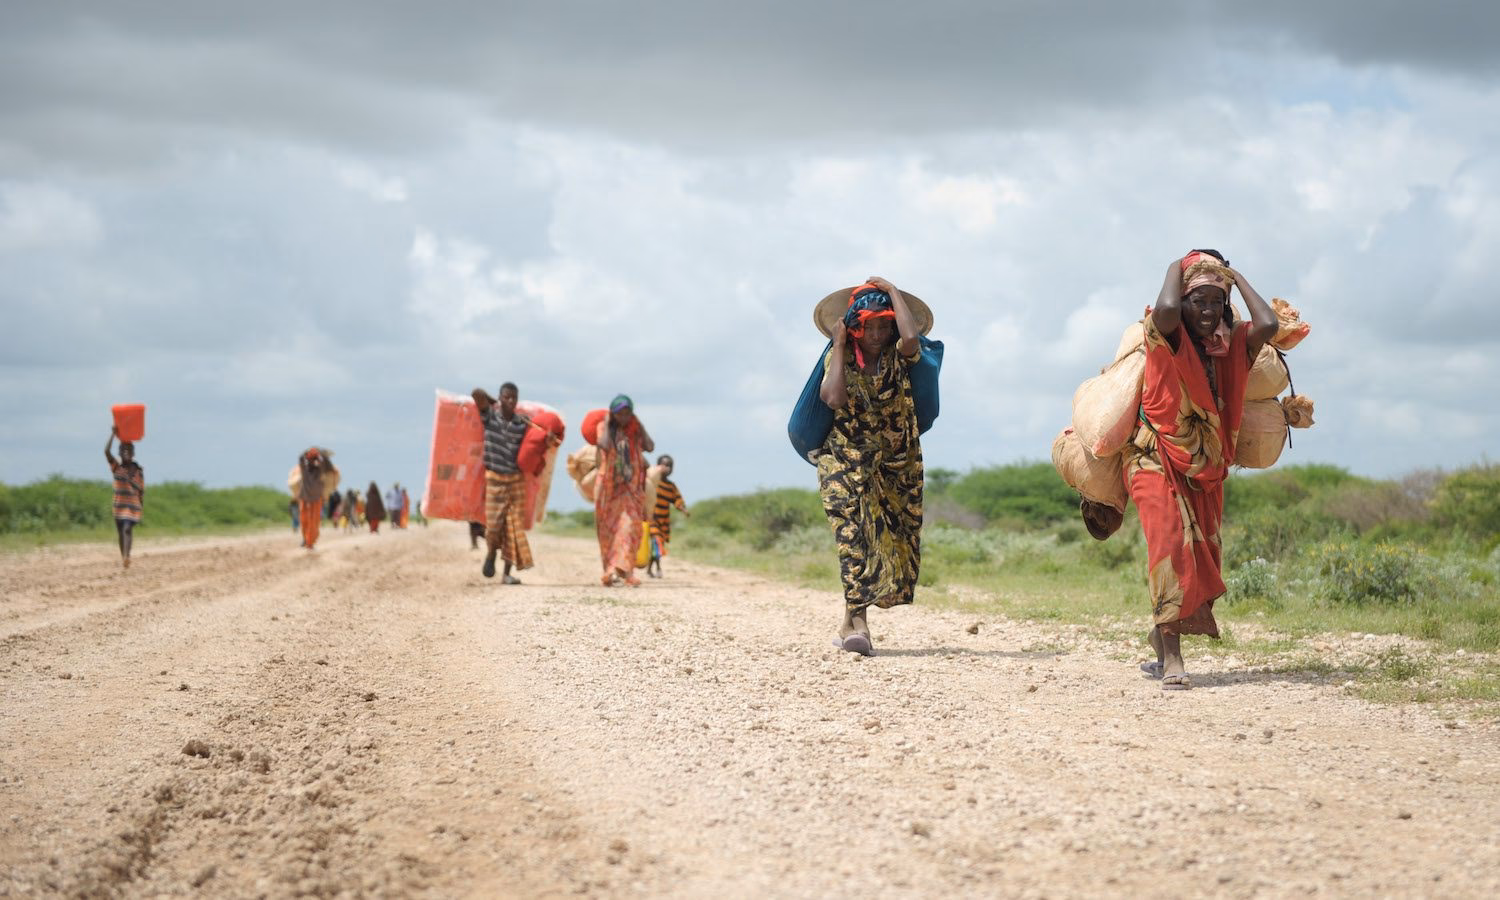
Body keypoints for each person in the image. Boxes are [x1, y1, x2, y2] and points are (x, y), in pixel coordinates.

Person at [1122, 250, 1278, 691]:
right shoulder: (1164, 336)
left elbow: (1268, 325)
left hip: (1206, 468)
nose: (1207, 311)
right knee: (1171, 548)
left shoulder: (1232, 348)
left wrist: (1233, 277)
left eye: (1216, 302)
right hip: (1153, 456)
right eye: (1198, 301)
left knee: (1200, 557)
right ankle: (1173, 658)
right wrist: (1179, 264)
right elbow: (1168, 307)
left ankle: (1161, 632)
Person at [818, 277, 927, 656]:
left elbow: (912, 341)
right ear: (853, 325)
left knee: (890, 537)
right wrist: (839, 343)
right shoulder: (841, 356)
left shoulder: (900, 353)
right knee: (852, 535)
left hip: (895, 462)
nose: (878, 333)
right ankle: (860, 623)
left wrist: (895, 291)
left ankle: (849, 620)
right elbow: (833, 398)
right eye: (869, 325)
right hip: (844, 460)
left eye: (885, 324)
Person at [473, 382, 559, 583]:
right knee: (493, 528)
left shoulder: (524, 423)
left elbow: (538, 442)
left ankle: (506, 574)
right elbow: (476, 393)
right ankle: (491, 554)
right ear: (500, 397)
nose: (511, 401)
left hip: (516, 481)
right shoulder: (490, 416)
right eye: (507, 397)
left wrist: (548, 438)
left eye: (514, 398)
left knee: (514, 528)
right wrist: (493, 403)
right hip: (494, 480)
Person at [595, 395, 655, 586]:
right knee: (608, 532)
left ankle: (627, 572)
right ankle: (610, 570)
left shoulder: (635, 430)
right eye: (620, 413)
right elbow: (603, 445)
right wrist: (606, 422)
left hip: (631, 488)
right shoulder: (605, 428)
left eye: (627, 413)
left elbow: (650, 447)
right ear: (613, 414)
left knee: (630, 528)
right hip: (609, 489)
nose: (624, 417)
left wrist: (640, 425)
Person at [104, 427, 145, 569]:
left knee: (127, 529)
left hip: (133, 506)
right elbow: (106, 452)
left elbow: (141, 490)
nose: (126, 452)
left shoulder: (138, 470)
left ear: (133, 453)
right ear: (120, 453)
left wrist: (142, 507)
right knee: (121, 532)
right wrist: (113, 434)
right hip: (119, 505)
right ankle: (124, 557)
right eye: (123, 450)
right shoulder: (116, 467)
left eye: (128, 450)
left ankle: (127, 556)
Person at [645, 454, 690, 578]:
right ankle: (658, 568)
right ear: (657, 466)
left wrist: (683, 509)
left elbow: (677, 499)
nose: (667, 468)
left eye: (670, 466)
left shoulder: (671, 486)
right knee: (657, 542)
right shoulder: (652, 482)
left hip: (663, 520)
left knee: (658, 546)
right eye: (664, 465)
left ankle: (650, 569)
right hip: (651, 518)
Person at [297, 448, 331, 550]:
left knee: (313, 522)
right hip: (306, 499)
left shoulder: (318, 470)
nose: (311, 462)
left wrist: (316, 454)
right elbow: (301, 459)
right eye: (310, 459)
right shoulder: (305, 470)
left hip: (314, 500)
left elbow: (325, 464)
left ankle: (309, 542)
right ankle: (307, 540)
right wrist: (311, 453)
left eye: (313, 459)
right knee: (306, 521)